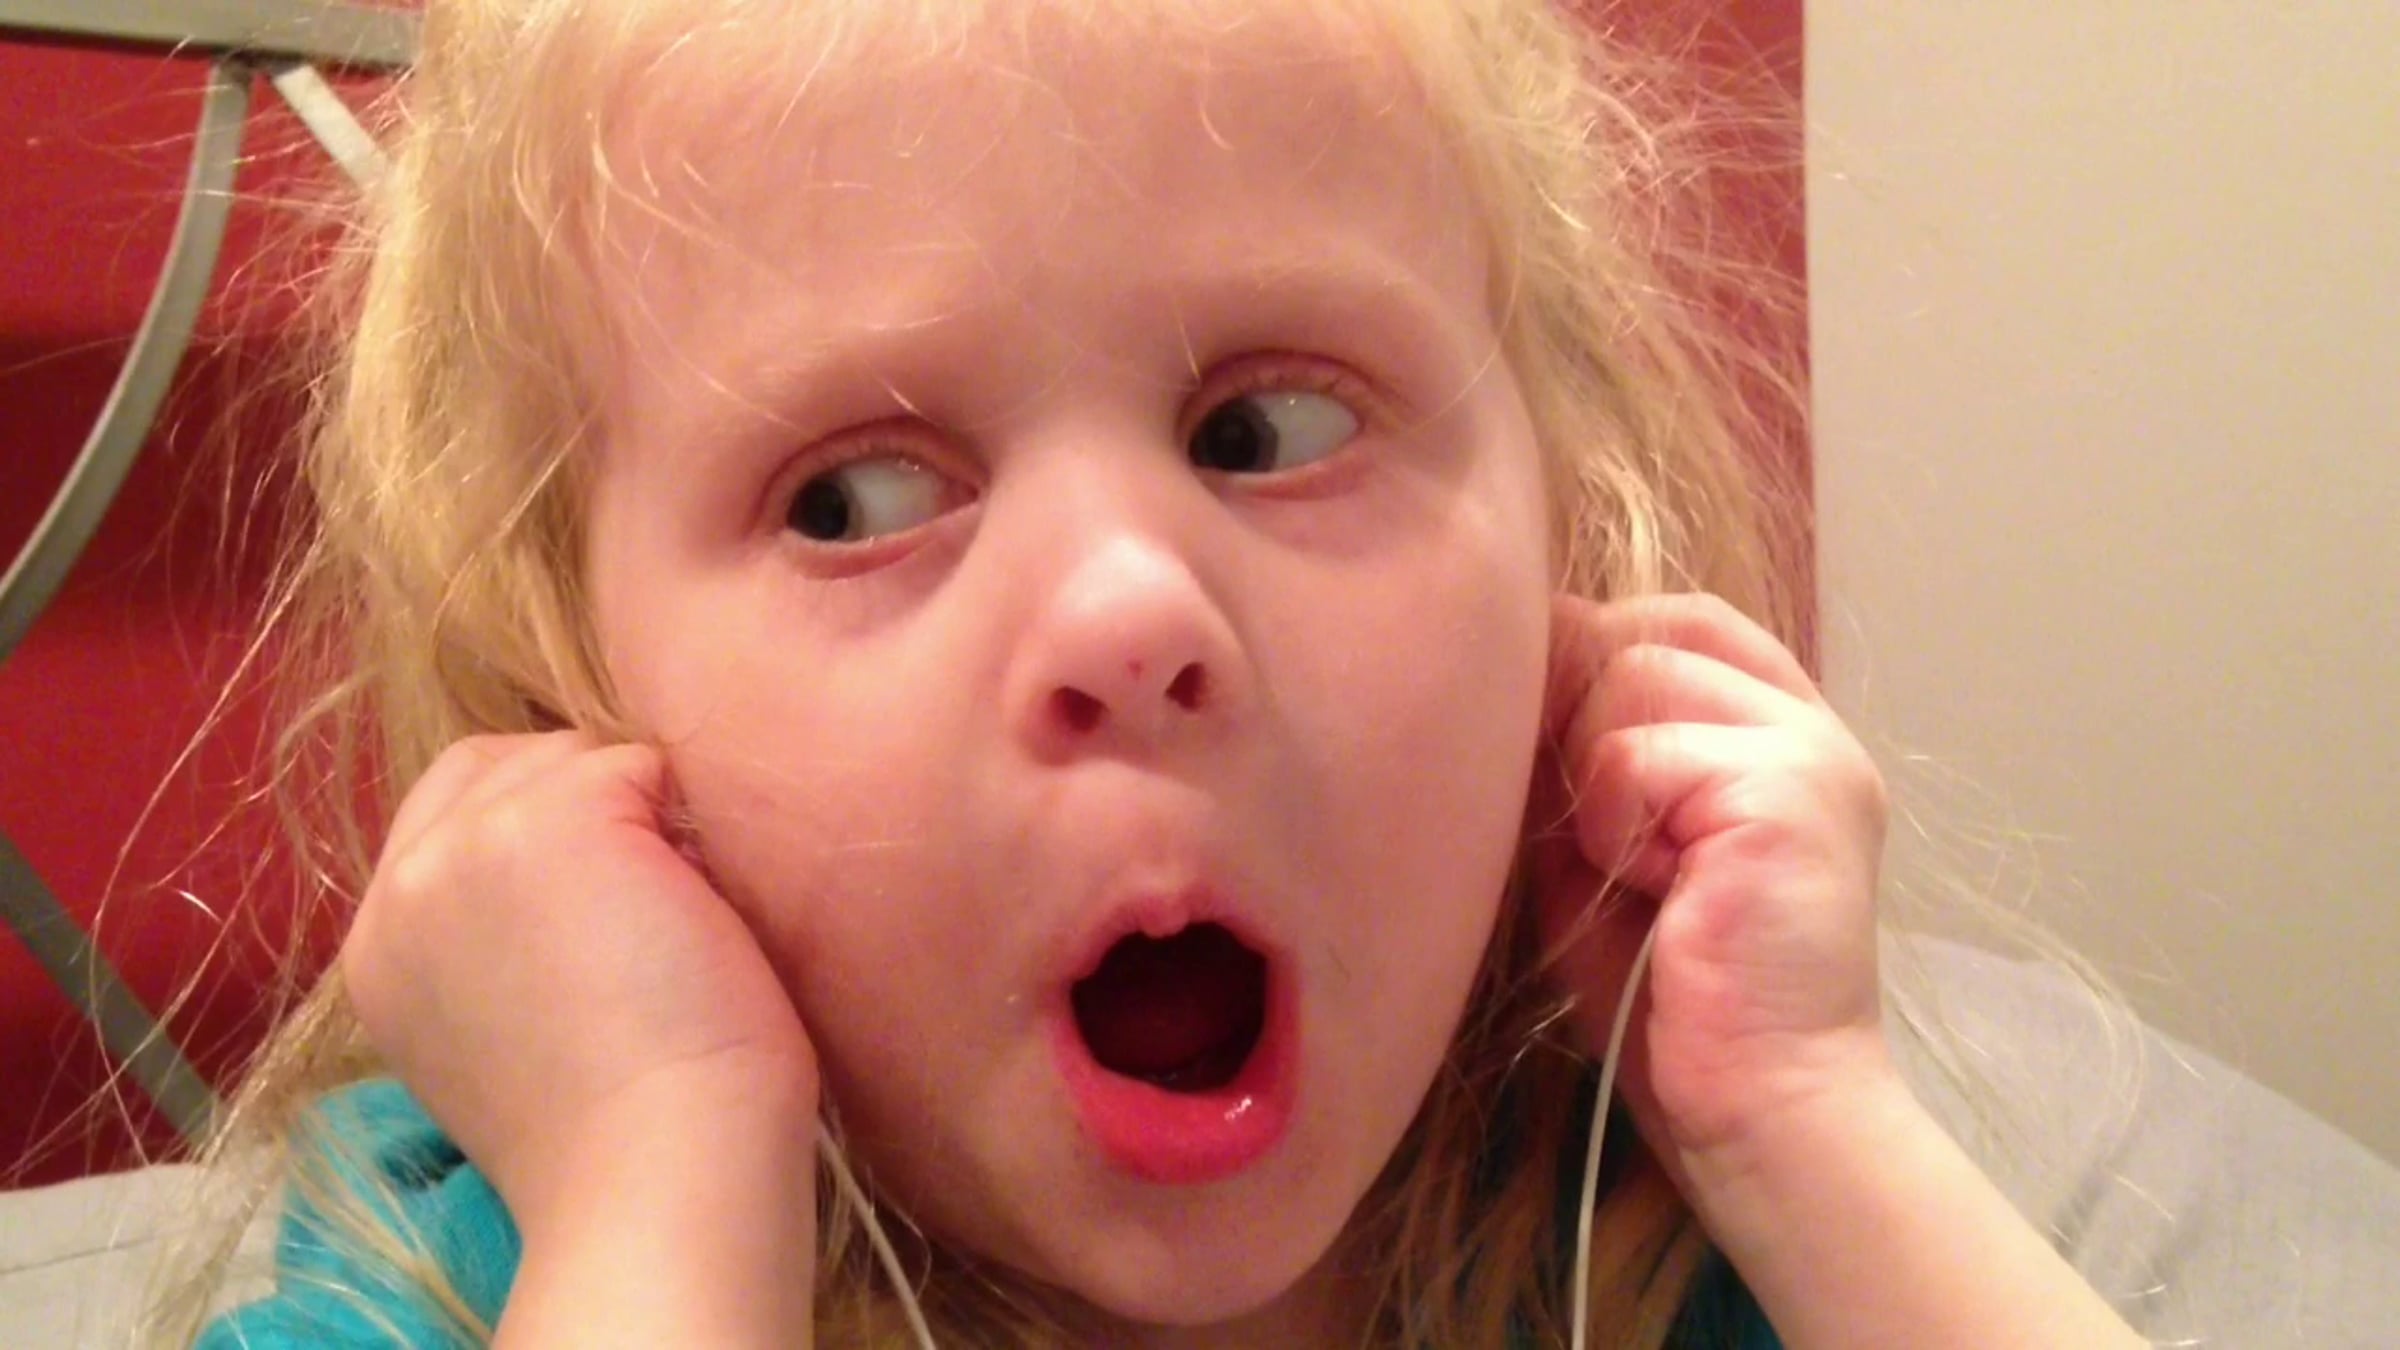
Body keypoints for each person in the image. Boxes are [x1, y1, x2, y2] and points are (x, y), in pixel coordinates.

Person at [148, 1, 2170, 1346]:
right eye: (855, 496)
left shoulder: (1646, 1244)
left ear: (1566, 530)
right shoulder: (478, 1273)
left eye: (1269, 431)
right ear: (567, 670)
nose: (1133, 614)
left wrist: (1806, 1126)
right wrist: (659, 1195)